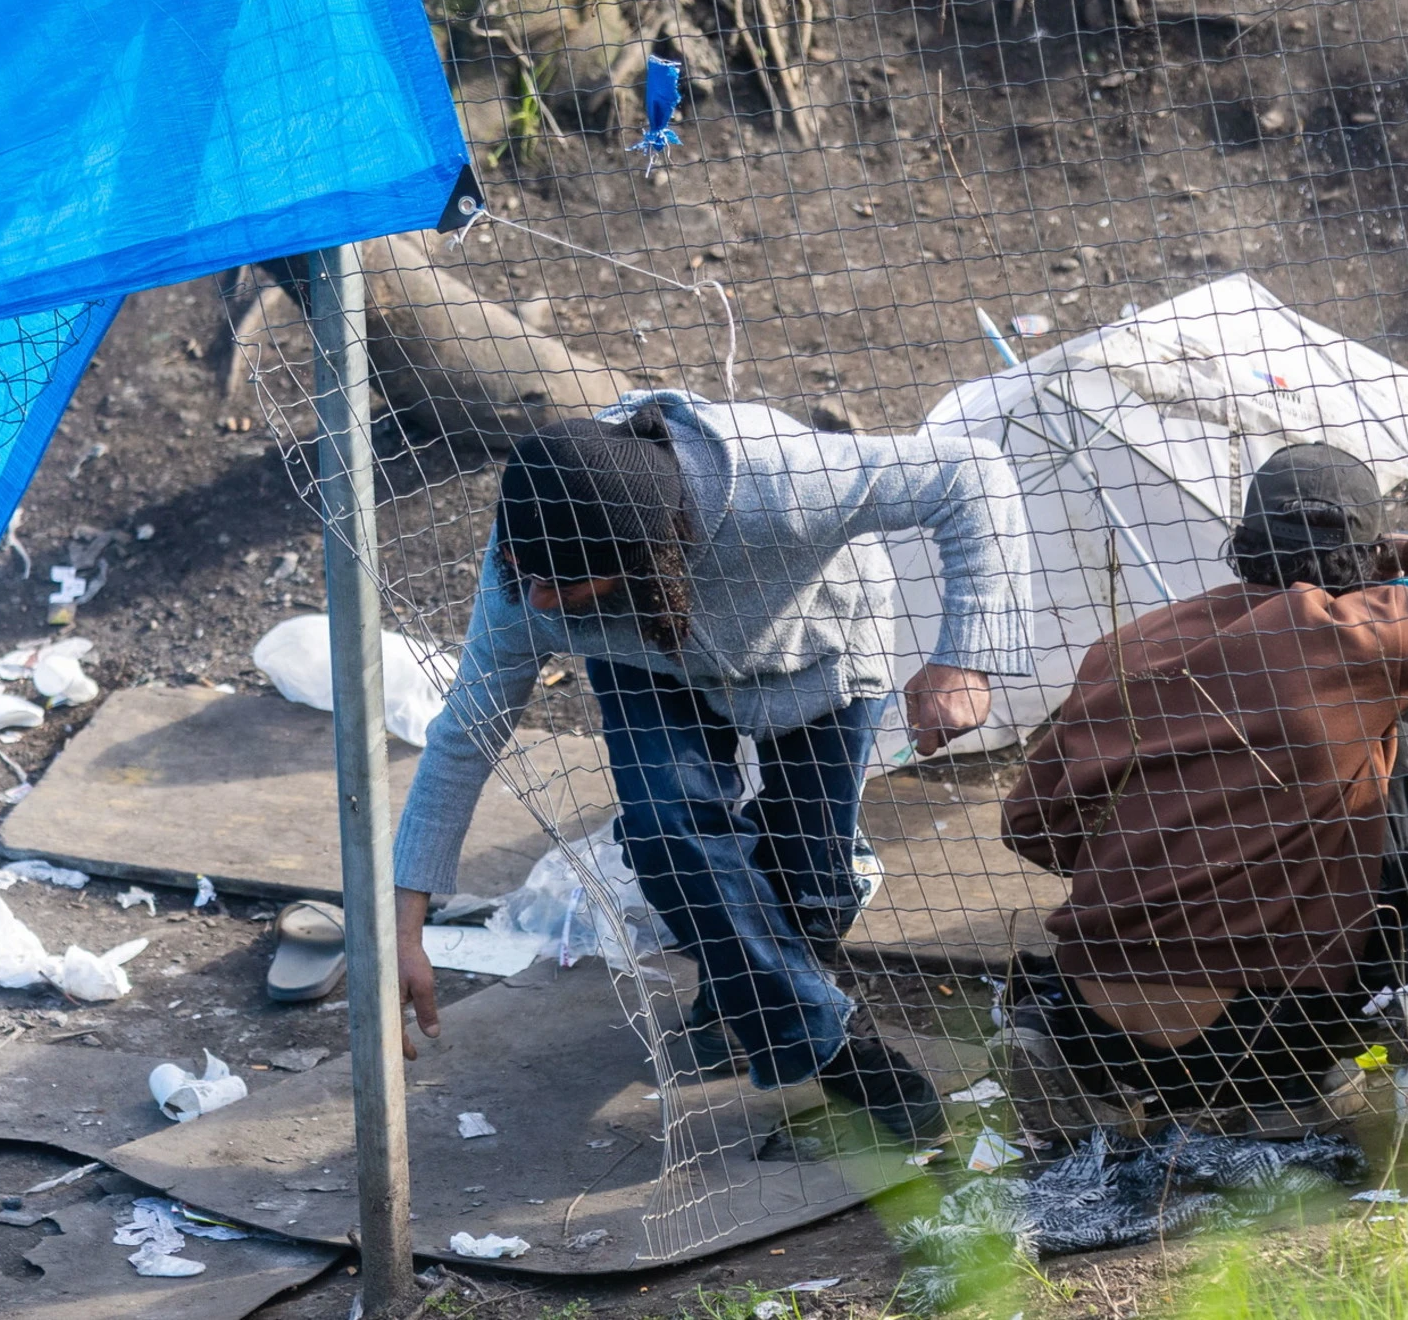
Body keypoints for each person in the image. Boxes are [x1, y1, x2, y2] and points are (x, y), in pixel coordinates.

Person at [391, 391, 1033, 1142]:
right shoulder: (531, 567)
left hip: (815, 638)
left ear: (648, 557)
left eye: (560, 588)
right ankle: (832, 1047)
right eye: (525, 575)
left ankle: (742, 986)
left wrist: (964, 659)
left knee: (811, 886)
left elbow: (970, 473)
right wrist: (402, 927)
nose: (535, 601)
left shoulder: (783, 484)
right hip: (650, 655)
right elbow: (465, 732)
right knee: (668, 829)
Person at [999, 443, 1408, 1120]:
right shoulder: (1349, 635)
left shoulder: (1125, 647)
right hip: (1269, 1024)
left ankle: (1058, 1034)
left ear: (1244, 541)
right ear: (1367, 557)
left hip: (1098, 1008)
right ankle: (1389, 1017)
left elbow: (1030, 827)